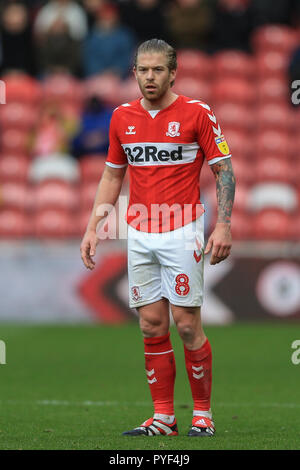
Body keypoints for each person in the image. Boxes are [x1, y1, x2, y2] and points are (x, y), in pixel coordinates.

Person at [80, 39, 235, 437]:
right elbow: (113, 173)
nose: (150, 77)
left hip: (183, 230)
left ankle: (203, 414)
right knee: (151, 325)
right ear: (134, 73)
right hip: (140, 232)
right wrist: (94, 226)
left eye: (158, 70)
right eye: (143, 70)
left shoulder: (197, 114)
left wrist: (223, 224)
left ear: (172, 72)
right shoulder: (121, 117)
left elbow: (224, 170)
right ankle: (164, 417)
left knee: (185, 325)